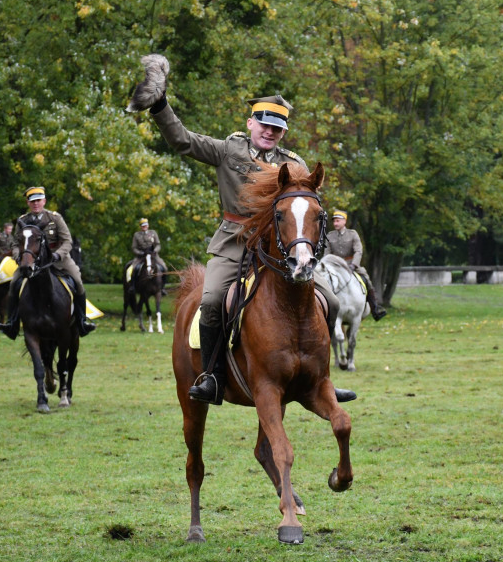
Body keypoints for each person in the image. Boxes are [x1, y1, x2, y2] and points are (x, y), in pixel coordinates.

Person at [128, 54, 354, 405]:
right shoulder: (227, 149)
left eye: (276, 128)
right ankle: (212, 377)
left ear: (283, 133)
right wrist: (159, 106)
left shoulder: (294, 165)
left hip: (279, 250)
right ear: (251, 123)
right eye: (263, 125)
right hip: (235, 243)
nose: (269, 132)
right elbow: (181, 140)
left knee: (332, 300)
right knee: (213, 301)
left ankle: (322, 380)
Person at [0, 186, 95, 339]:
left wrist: (57, 255)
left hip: (58, 260)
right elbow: (15, 244)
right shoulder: (23, 220)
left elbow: (67, 241)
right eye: (32, 201)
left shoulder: (55, 218)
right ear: (28, 203)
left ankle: (82, 321)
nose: (36, 204)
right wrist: (18, 257)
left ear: (44, 201)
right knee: (14, 283)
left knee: (78, 281)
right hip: (30, 261)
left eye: (38, 200)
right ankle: (12, 323)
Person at [325, 210, 387, 321]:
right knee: (323, 281)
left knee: (366, 279)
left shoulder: (353, 234)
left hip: (351, 265)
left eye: (338, 221)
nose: (335, 223)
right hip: (334, 267)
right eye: (334, 221)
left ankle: (375, 308)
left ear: (344, 221)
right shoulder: (329, 236)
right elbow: (326, 254)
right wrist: (325, 266)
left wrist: (354, 265)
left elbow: (358, 251)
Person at [130, 218, 163, 287]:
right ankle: (132, 286)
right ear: (140, 226)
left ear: (148, 225)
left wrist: (155, 251)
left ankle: (162, 287)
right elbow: (134, 248)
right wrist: (140, 253)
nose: (144, 227)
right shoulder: (136, 235)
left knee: (164, 267)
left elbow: (158, 244)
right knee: (133, 268)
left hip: (152, 254)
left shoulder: (153, 233)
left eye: (145, 225)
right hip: (141, 255)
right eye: (143, 225)